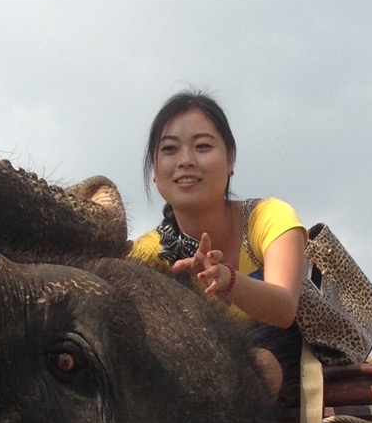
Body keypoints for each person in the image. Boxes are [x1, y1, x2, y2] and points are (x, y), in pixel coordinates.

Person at [131, 92, 306, 399]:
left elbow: (285, 308)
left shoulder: (268, 217)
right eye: (170, 149)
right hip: (188, 374)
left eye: (203, 146)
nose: (186, 161)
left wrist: (229, 282)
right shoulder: (150, 252)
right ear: (155, 175)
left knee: (258, 364)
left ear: (230, 162)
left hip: (278, 362)